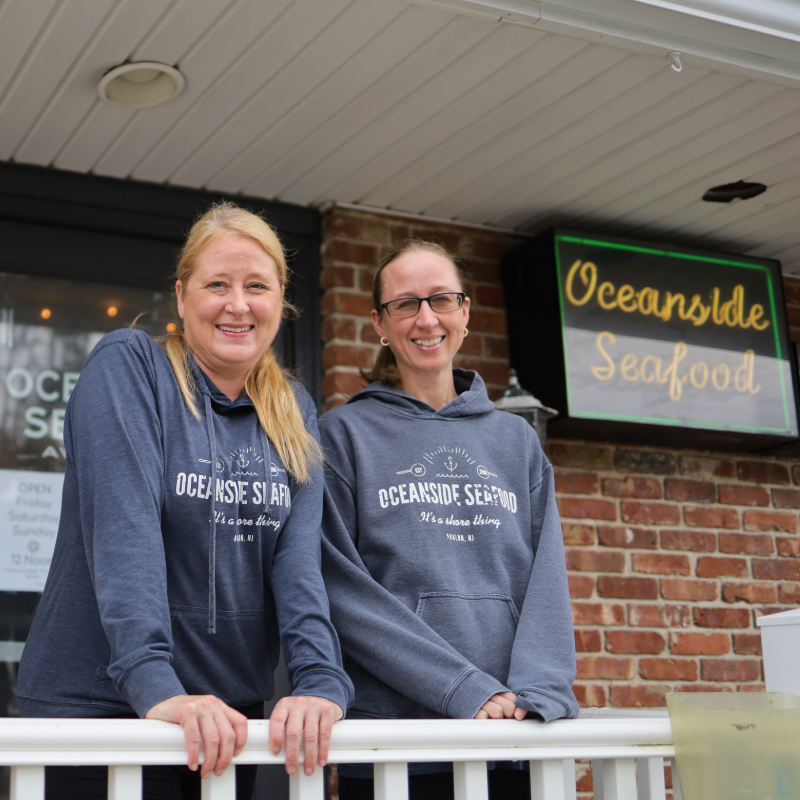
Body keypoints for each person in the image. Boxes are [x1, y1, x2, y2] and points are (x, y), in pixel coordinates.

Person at [17, 202, 353, 800]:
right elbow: (127, 533)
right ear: (180, 295)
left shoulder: (295, 410)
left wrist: (319, 682)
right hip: (101, 706)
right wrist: (157, 688)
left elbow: (298, 567)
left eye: (257, 286)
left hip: (225, 719)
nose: (237, 304)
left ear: (280, 299)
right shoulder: (131, 368)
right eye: (216, 284)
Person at [320, 240, 578, 800]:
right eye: (405, 304)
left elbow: (547, 580)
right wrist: (461, 688)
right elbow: (338, 587)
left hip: (513, 731)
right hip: (397, 740)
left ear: (465, 312)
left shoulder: (516, 441)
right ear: (379, 324)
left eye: (441, 299)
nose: (426, 318)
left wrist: (540, 693)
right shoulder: (342, 436)